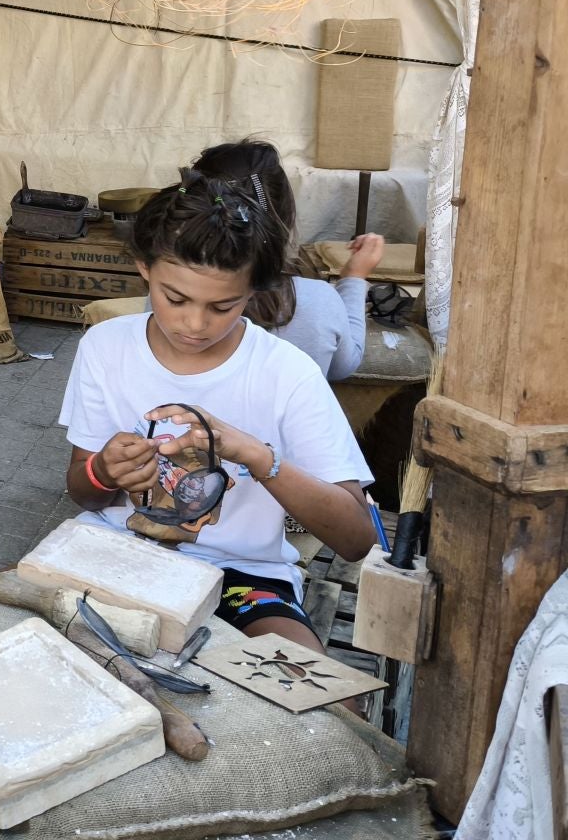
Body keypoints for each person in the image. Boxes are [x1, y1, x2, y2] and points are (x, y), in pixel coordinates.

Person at [60, 176, 376, 652]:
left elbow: (357, 540)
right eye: (176, 298)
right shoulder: (105, 347)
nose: (195, 324)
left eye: (222, 306)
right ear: (143, 268)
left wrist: (255, 455)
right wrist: (104, 471)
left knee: (317, 700)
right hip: (116, 551)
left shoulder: (287, 373)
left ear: (252, 292)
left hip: (241, 576)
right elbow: (83, 494)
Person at [170, 140, 382, 382]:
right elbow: (344, 365)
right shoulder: (318, 300)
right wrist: (354, 278)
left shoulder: (168, 295)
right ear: (284, 214)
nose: (196, 323)